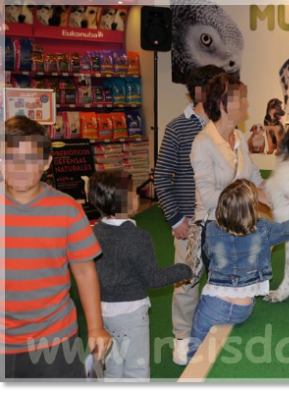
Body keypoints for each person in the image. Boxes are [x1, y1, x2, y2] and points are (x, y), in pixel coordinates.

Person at [2, 116, 110, 379]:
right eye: (10, 157)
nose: (20, 167)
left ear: (47, 162)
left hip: (55, 336)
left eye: (30, 158)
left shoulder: (67, 210)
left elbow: (84, 272)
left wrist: (95, 327)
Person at [187, 179, 289, 360]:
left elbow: (207, 257)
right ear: (252, 207)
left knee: (195, 347)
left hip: (214, 304)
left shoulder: (211, 229)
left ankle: (191, 366)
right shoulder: (264, 229)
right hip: (244, 308)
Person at [89, 171, 192, 381]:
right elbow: (153, 279)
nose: (138, 196)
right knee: (137, 371)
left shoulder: (93, 232)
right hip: (131, 315)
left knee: (113, 367)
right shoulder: (137, 237)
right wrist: (183, 269)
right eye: (134, 193)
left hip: (103, 313)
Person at [154, 64, 224, 365]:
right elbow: (161, 177)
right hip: (189, 224)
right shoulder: (177, 127)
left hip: (222, 224)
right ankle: (182, 338)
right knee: (187, 283)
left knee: (220, 281)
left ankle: (213, 333)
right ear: (201, 91)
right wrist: (175, 219)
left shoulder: (226, 126)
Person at [190, 71, 271, 226]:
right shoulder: (202, 142)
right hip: (215, 230)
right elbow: (208, 198)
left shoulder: (239, 136)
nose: (246, 104)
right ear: (222, 104)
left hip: (241, 226)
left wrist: (287, 186)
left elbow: (256, 180)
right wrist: (253, 195)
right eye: (240, 98)